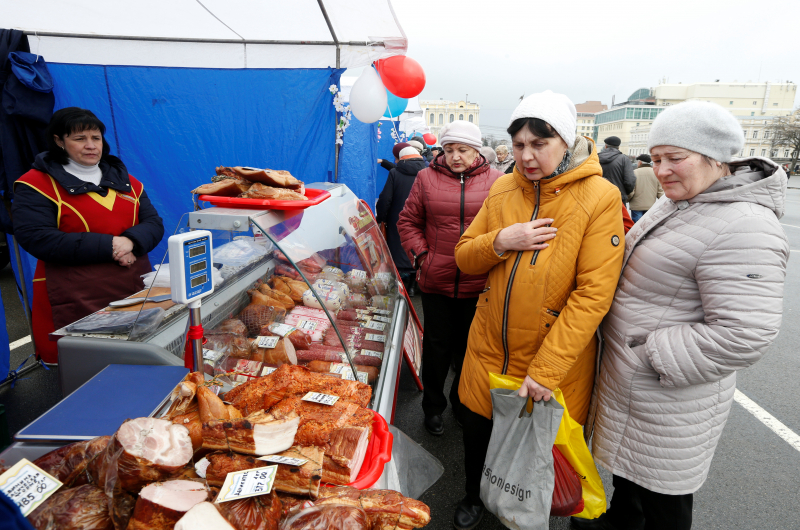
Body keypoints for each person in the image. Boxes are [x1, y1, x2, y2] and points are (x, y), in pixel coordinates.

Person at [576, 101, 788, 530]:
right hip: (636, 384)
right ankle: (619, 521)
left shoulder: (745, 225)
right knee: (631, 473)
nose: (663, 170)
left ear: (718, 159)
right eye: (656, 159)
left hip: (669, 391)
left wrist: (649, 351)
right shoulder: (684, 201)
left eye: (676, 158)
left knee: (663, 497)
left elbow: (745, 333)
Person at [453, 91, 625, 530]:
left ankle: (531, 512)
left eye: (538, 145)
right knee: (479, 437)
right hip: (487, 351)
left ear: (565, 142)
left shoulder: (599, 196)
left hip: (549, 365)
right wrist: (500, 241)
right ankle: (475, 496)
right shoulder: (502, 186)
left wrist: (546, 370)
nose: (526, 157)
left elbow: (592, 295)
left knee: (541, 462)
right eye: (518, 145)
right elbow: (465, 257)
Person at [12, 107, 164, 364]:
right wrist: (111, 245)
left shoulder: (129, 182)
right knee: (87, 367)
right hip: (76, 293)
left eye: (96, 138)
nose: (91, 145)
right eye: (79, 139)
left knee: (138, 360)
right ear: (59, 141)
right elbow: (37, 237)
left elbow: (153, 223)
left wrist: (131, 241)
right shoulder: (35, 184)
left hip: (131, 286)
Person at [397, 120, 502, 439]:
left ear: (476, 151)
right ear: (441, 150)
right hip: (436, 282)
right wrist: (422, 257)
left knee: (469, 351)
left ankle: (460, 401)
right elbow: (408, 221)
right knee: (437, 350)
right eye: (450, 149)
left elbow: (503, 226)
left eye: (463, 150)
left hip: (478, 283)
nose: (456, 156)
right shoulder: (425, 178)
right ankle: (432, 408)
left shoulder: (497, 181)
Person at [376, 145, 426, 296]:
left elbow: (385, 199)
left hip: (397, 219)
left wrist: (381, 217)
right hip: (422, 219)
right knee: (416, 247)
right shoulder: (428, 173)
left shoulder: (395, 172)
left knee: (398, 249)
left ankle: (400, 286)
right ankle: (412, 285)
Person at [599, 136, 636, 203]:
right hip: (618, 198)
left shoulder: (596, 157)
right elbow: (630, 181)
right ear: (618, 147)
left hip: (599, 197)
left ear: (606, 146)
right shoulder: (624, 159)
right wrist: (624, 192)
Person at [628, 153, 663, 222]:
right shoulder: (655, 173)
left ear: (640, 162)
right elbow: (660, 191)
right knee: (646, 226)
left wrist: (627, 199)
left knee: (637, 227)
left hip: (636, 206)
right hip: (650, 206)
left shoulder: (634, 173)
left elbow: (631, 191)